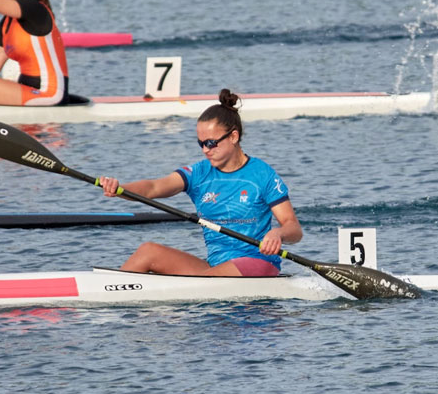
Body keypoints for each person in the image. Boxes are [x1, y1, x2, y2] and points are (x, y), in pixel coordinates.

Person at [99, 89, 303, 277]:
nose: (205, 150)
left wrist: (277, 233)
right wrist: (119, 189)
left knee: (203, 281)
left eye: (211, 143)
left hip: (257, 262)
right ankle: (106, 299)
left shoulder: (262, 175)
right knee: (147, 251)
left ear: (233, 136)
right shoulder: (199, 173)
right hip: (215, 268)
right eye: (201, 143)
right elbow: (154, 187)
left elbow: (293, 228)